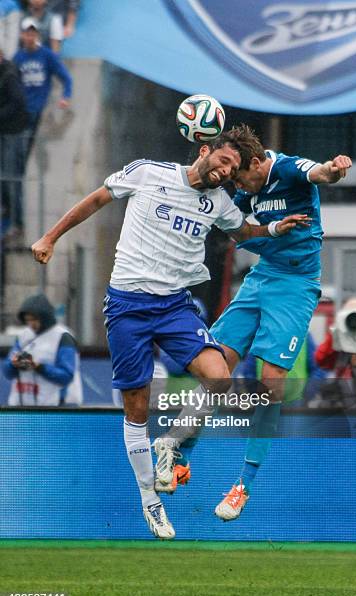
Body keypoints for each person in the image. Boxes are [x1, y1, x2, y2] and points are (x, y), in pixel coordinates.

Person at [31, 130, 309, 539]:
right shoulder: (147, 173)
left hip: (175, 306)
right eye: (225, 161)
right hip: (127, 305)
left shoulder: (218, 202)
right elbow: (95, 199)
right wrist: (50, 237)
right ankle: (150, 501)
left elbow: (243, 233)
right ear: (204, 150)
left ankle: (170, 446)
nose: (227, 170)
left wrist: (273, 230)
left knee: (219, 377)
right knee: (136, 408)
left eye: (233, 167)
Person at [154, 125, 352, 521]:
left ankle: (242, 486)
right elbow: (239, 231)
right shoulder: (245, 190)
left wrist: (334, 168)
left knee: (272, 381)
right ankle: (180, 456)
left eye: (242, 176)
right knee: (216, 366)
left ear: (258, 162)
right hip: (261, 278)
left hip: (296, 285)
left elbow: (320, 173)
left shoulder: (290, 170)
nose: (239, 184)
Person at [3, 293, 83, 406]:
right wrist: (14, 364)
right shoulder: (23, 336)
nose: (31, 324)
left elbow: (66, 376)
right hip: (21, 406)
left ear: (45, 317)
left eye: (34, 319)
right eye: (28, 320)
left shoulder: (62, 336)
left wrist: (39, 367)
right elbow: (7, 371)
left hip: (56, 407)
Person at [13, 17, 72, 158]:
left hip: (41, 108)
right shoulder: (18, 57)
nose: (30, 37)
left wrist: (66, 96)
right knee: (21, 148)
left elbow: (66, 77)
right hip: (24, 110)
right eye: (27, 34)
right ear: (22, 35)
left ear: (37, 35)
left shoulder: (47, 55)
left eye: (33, 34)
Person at [0, 45, 28, 238]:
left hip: (13, 133)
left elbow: (17, 102)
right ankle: (8, 212)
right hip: (4, 130)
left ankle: (17, 222)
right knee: (4, 177)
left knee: (11, 178)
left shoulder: (9, 75)